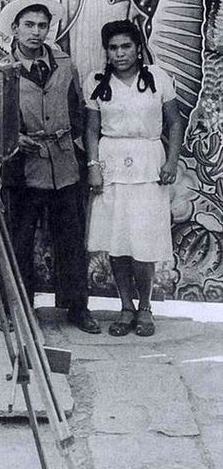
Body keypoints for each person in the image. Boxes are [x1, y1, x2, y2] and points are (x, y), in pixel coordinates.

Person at [0, 0, 100, 334]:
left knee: (70, 240)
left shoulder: (66, 65)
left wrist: (78, 151)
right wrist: (12, 139)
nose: (36, 32)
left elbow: (78, 110)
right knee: (20, 242)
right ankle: (20, 309)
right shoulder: (1, 69)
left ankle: (77, 308)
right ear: (14, 28)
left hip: (65, 166)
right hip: (23, 170)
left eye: (43, 25)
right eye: (29, 25)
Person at [84, 19, 183, 337]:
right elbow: (90, 128)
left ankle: (145, 309)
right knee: (118, 241)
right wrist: (93, 165)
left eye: (126, 46)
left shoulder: (158, 78)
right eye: (113, 48)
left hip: (148, 164)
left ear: (138, 48)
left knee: (143, 242)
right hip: (111, 164)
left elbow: (175, 123)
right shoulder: (96, 81)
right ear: (107, 52)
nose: (120, 53)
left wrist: (171, 160)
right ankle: (125, 308)